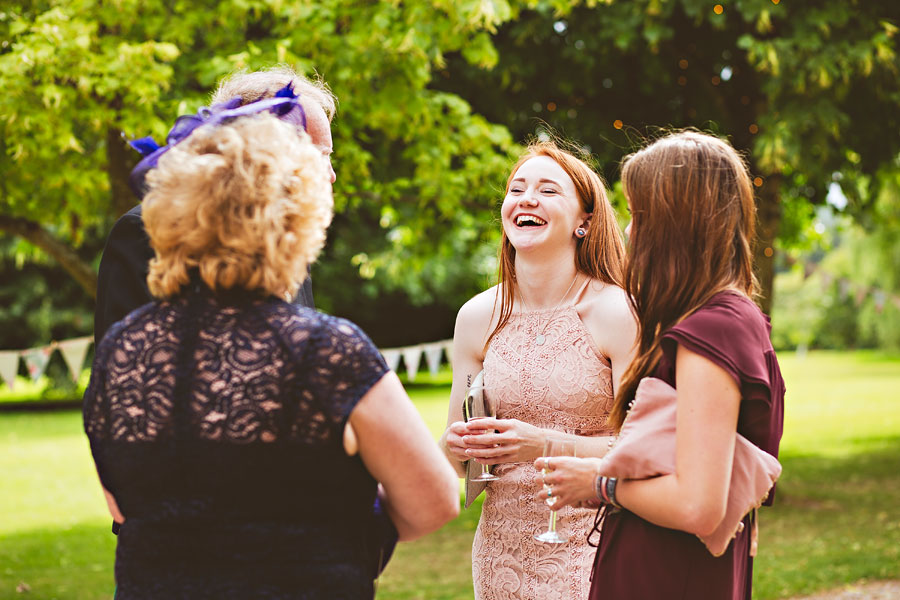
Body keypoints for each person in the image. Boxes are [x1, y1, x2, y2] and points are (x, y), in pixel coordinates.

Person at [83, 98, 459, 599]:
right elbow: (433, 500)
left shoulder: (120, 353)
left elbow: (120, 504)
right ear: (296, 223)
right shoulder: (327, 349)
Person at [539, 131, 786, 600]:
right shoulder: (731, 318)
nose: (629, 232)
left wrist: (598, 484)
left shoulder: (713, 328)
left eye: (637, 215)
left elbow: (697, 505)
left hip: (669, 578)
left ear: (678, 223)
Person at [440, 140, 637, 599]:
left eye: (548, 191)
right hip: (499, 555)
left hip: (594, 545)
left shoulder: (617, 312)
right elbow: (460, 459)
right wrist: (454, 444)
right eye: (517, 189)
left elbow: (644, 448)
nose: (527, 199)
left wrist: (541, 445)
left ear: (584, 221)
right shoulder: (476, 317)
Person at [94, 65, 335, 343]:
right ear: (257, 152)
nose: (331, 174)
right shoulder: (144, 232)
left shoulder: (289, 245)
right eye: (319, 154)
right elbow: (124, 371)